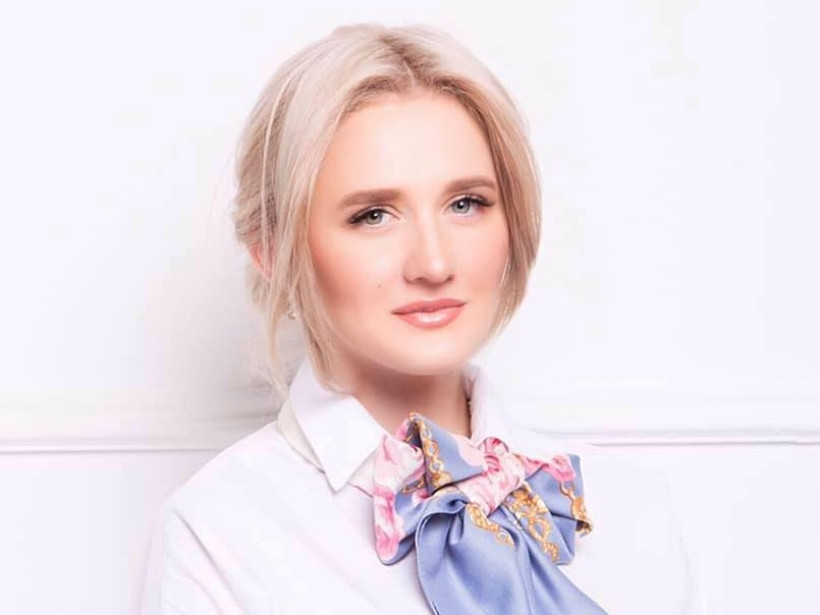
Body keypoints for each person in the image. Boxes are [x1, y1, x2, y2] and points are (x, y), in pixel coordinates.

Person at [141, 23, 702, 614]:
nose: (434, 264)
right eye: (373, 215)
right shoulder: (219, 535)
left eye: (466, 204)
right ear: (274, 253)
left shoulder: (629, 507)